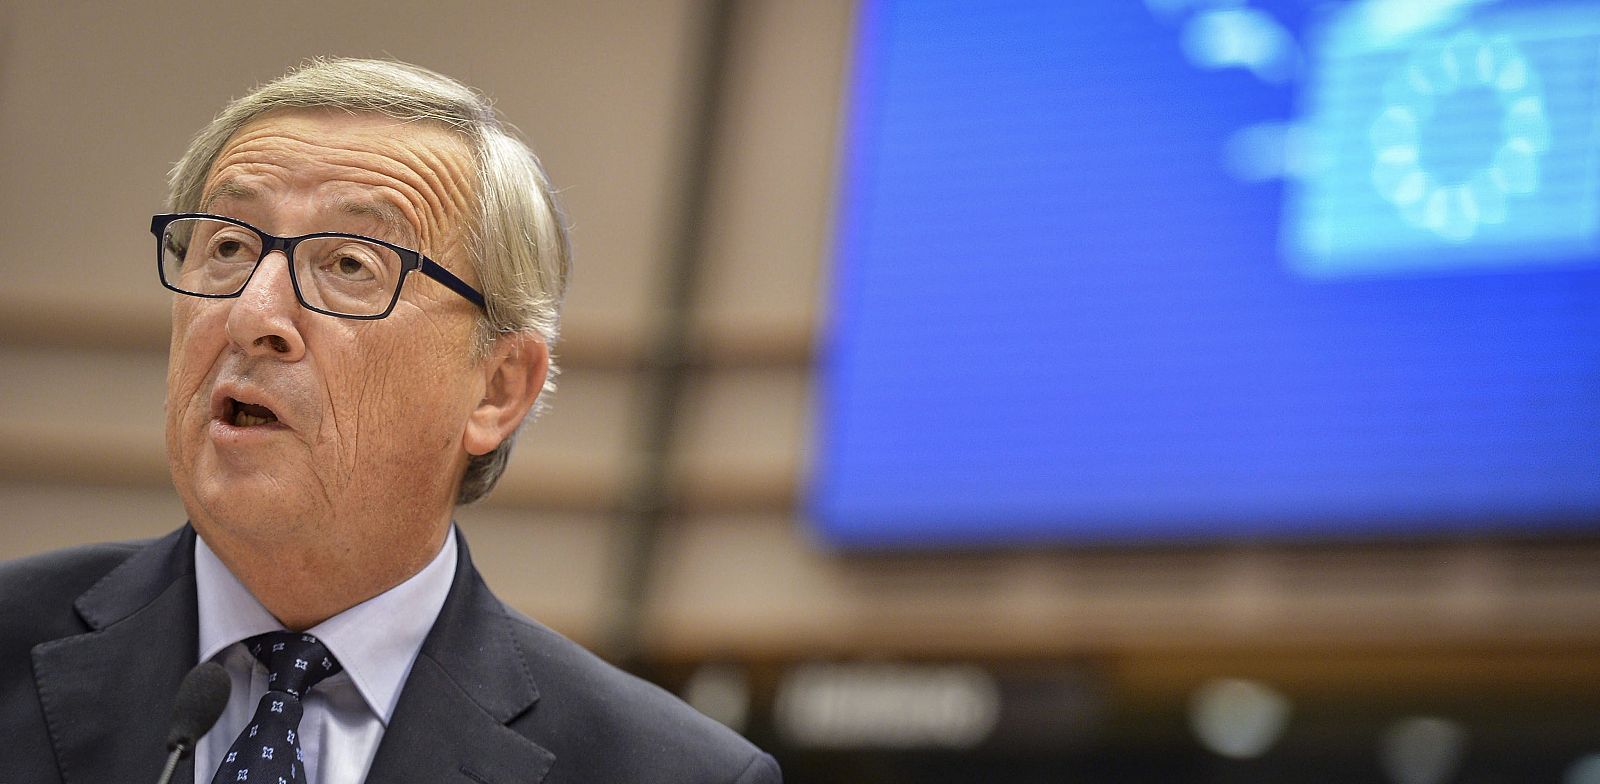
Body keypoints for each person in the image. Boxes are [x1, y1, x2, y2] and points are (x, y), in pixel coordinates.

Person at [0, 57, 780, 784]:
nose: (252, 314)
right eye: (229, 246)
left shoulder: (667, 771)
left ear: (497, 389)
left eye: (349, 265)